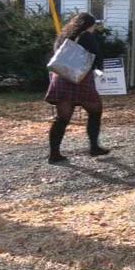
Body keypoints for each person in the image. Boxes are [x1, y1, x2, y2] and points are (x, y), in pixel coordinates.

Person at [44, 12, 109, 164]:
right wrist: (99, 70)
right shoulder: (87, 36)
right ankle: (94, 147)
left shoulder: (63, 37)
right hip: (80, 80)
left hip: (61, 79)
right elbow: (96, 57)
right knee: (95, 111)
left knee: (62, 119)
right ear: (90, 25)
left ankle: (54, 154)